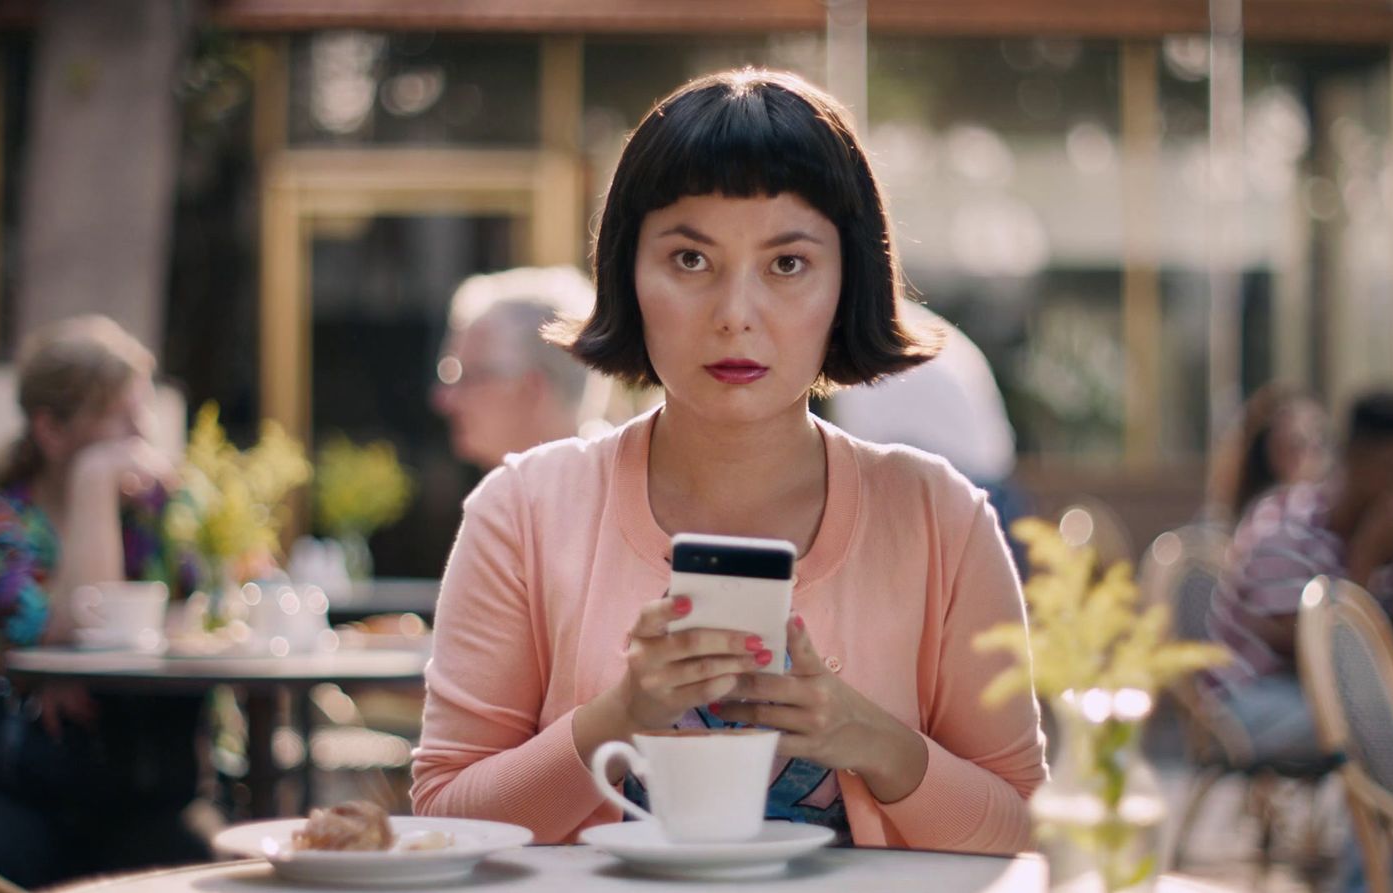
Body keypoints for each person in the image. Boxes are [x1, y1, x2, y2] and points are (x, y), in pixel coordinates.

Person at [411, 69, 1045, 853]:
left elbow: (1025, 825)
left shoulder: (940, 518)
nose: (735, 315)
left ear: (848, 281)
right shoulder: (522, 511)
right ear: (626, 275)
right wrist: (618, 716)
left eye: (787, 264)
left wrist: (877, 741)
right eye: (689, 260)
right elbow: (442, 812)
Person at [0, 316, 209, 891]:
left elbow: (201, 614)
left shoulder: (153, 518)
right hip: (12, 776)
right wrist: (92, 483)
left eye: (143, 413)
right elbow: (83, 623)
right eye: (119, 418)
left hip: (136, 773)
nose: (141, 437)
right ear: (51, 431)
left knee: (194, 858)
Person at [1206, 388, 1393, 766]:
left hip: (1340, 696)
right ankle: (1372, 828)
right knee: (1376, 727)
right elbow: (1316, 657)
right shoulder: (1282, 527)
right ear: (1354, 459)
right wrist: (1366, 558)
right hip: (1254, 699)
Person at [827, 302, 1033, 574]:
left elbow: (855, 455)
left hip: (956, 495)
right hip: (993, 491)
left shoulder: (867, 347)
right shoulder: (917, 329)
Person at [429, 265, 607, 469]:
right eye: (449, 374)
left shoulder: (620, 491)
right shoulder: (511, 495)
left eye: (469, 377)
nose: (444, 399)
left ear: (533, 389)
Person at [1203, 383, 1331, 528]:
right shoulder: (1263, 522)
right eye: (1295, 443)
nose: (1312, 449)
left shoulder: (1336, 509)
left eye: (1321, 437)